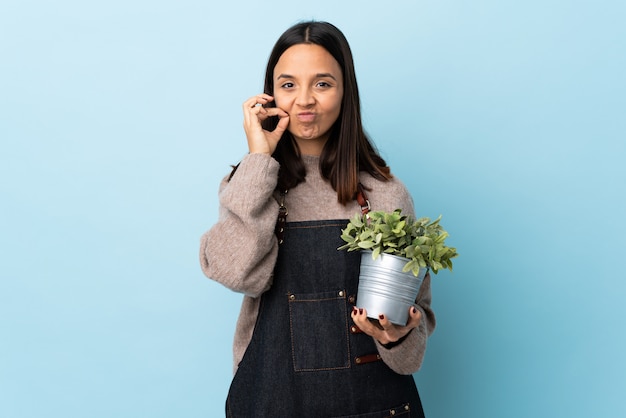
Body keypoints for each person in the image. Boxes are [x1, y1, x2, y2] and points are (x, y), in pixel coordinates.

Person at [200, 20, 435, 417]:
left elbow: (410, 352)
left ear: (346, 93)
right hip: (270, 402)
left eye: (322, 84)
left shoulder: (385, 195)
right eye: (288, 85)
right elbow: (234, 273)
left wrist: (397, 336)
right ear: (270, 95)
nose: (304, 100)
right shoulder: (252, 185)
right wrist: (258, 160)